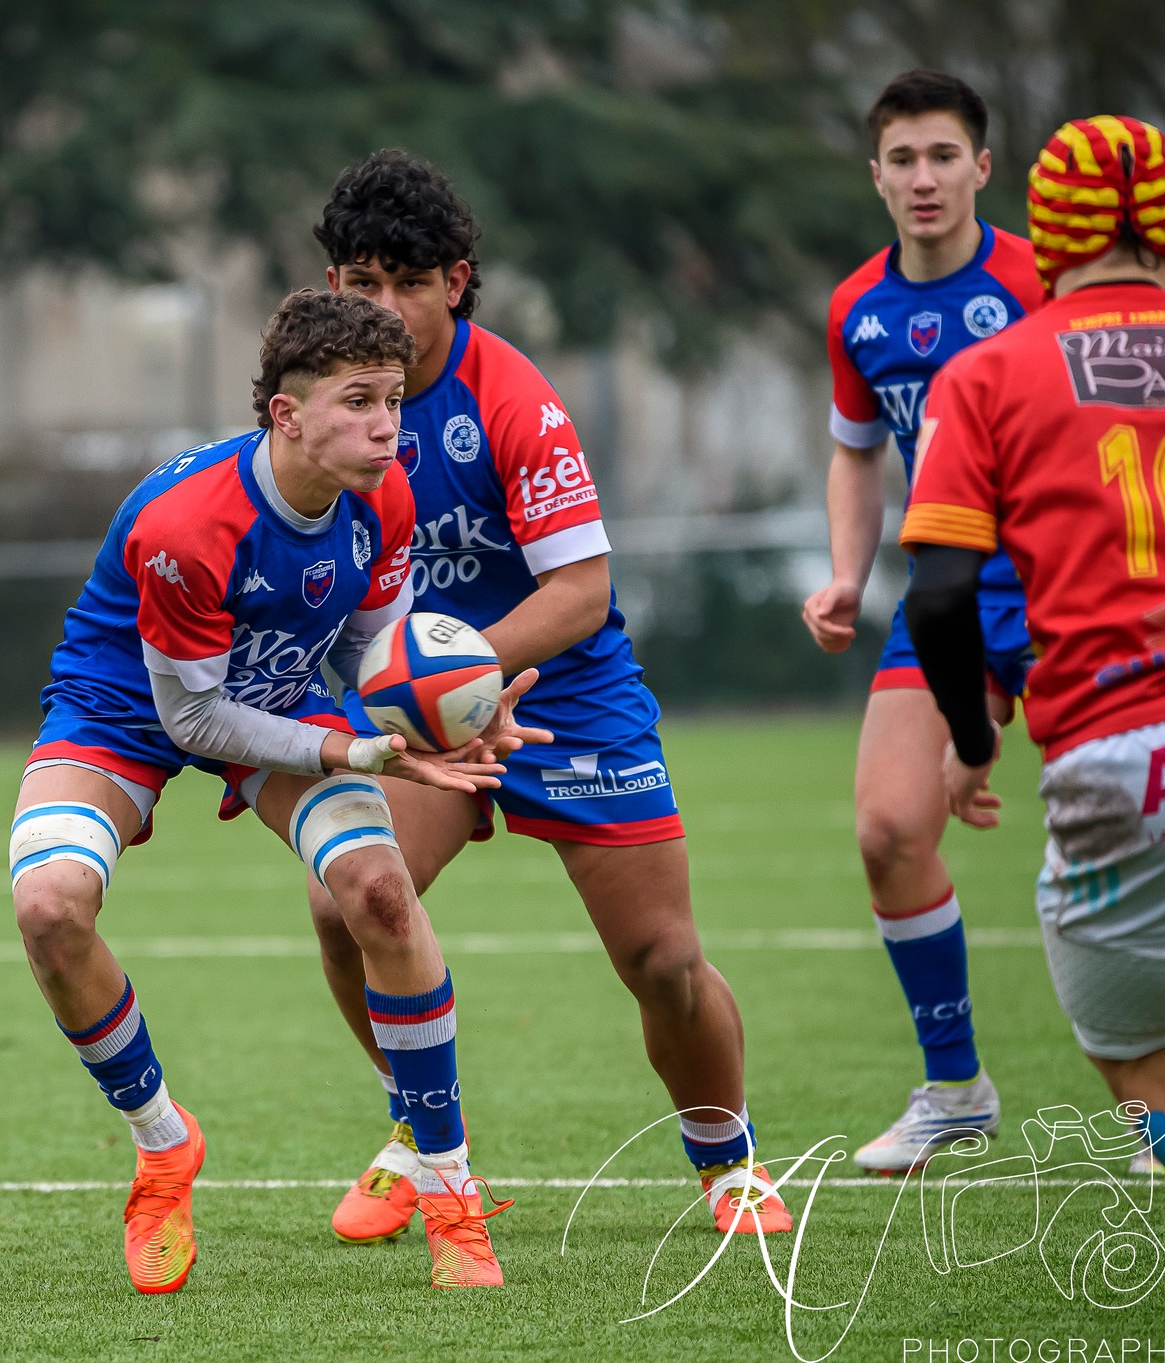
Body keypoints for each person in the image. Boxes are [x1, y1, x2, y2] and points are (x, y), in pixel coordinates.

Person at [12, 288, 542, 1292]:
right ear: (285, 415)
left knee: (381, 895)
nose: (385, 425)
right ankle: (163, 1145)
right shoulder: (187, 525)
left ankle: (449, 1194)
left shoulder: (384, 493)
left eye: (391, 398)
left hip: (278, 690)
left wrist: (446, 716)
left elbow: (370, 650)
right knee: (48, 908)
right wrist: (352, 757)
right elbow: (194, 720)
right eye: (356, 401)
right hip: (130, 705)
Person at [310, 150, 793, 1241]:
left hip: (561, 694)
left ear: (455, 281)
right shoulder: (321, 412)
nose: (381, 305)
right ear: (334, 288)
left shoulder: (512, 400)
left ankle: (727, 1164)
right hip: (416, 709)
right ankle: (418, 1136)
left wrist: (448, 670)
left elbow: (579, 593)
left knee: (662, 961)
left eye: (407, 281)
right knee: (348, 904)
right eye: (360, 281)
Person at [902, 113, 1165, 1213]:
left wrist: (973, 742)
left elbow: (937, 595)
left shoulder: (988, 374)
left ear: (1047, 226)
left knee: (1142, 1059)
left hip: (1129, 752)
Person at [800, 71, 1046, 1174]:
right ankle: (954, 1088)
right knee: (887, 832)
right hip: (944, 594)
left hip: (1072, 585)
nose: (922, 178)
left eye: (941, 155)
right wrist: (848, 574)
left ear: (981, 167)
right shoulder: (857, 307)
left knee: (1140, 841)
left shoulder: (1043, 282)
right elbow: (856, 449)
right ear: (874, 177)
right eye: (900, 160)